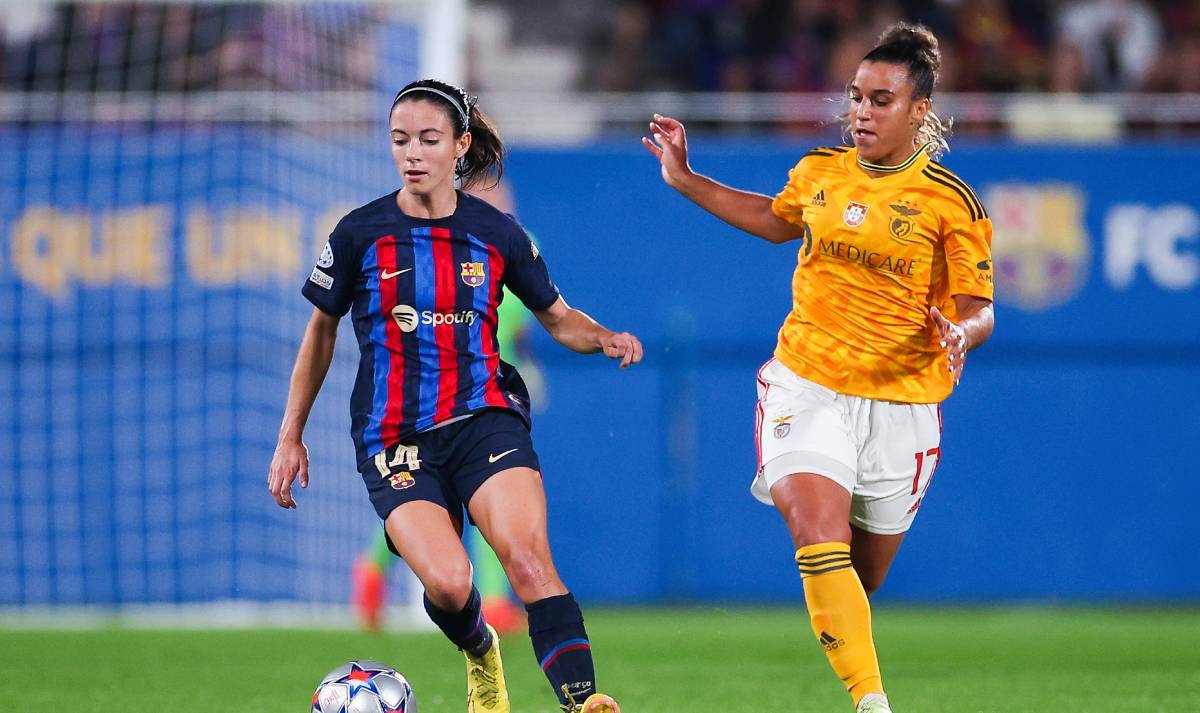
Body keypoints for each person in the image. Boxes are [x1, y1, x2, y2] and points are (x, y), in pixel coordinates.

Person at [643, 22, 994, 713]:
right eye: (856, 97)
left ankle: (852, 652)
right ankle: (873, 701)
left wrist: (963, 332)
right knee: (814, 531)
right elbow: (774, 219)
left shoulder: (951, 203)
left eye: (880, 99)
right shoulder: (818, 172)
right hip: (805, 380)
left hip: (903, 403)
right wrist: (685, 179)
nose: (861, 111)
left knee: (860, 576)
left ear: (920, 109)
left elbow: (979, 307)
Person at [268, 78, 640, 713]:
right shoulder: (359, 234)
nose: (413, 153)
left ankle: (582, 703)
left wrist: (603, 336)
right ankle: (480, 652)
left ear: (460, 146)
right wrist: (289, 435)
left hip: (484, 418)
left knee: (527, 560)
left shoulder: (496, 233)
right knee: (448, 582)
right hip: (394, 437)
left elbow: (556, 316)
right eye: (400, 140)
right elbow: (320, 332)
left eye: (429, 139)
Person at [352, 180, 543, 636]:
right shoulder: (439, 242)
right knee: (435, 498)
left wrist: (527, 363)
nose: (497, 202)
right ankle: (377, 565)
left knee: (486, 497)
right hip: (443, 389)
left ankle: (488, 598)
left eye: (502, 193)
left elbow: (522, 312)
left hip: (495, 388)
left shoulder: (522, 242)